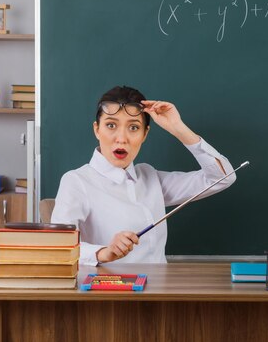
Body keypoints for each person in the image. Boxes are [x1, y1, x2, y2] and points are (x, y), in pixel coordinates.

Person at [51, 86, 236, 265]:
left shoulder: (149, 176)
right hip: (110, 292)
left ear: (145, 134)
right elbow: (59, 246)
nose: (121, 138)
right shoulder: (77, 181)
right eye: (110, 125)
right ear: (97, 129)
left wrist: (177, 127)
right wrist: (103, 252)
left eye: (133, 128)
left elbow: (222, 177)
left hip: (159, 291)